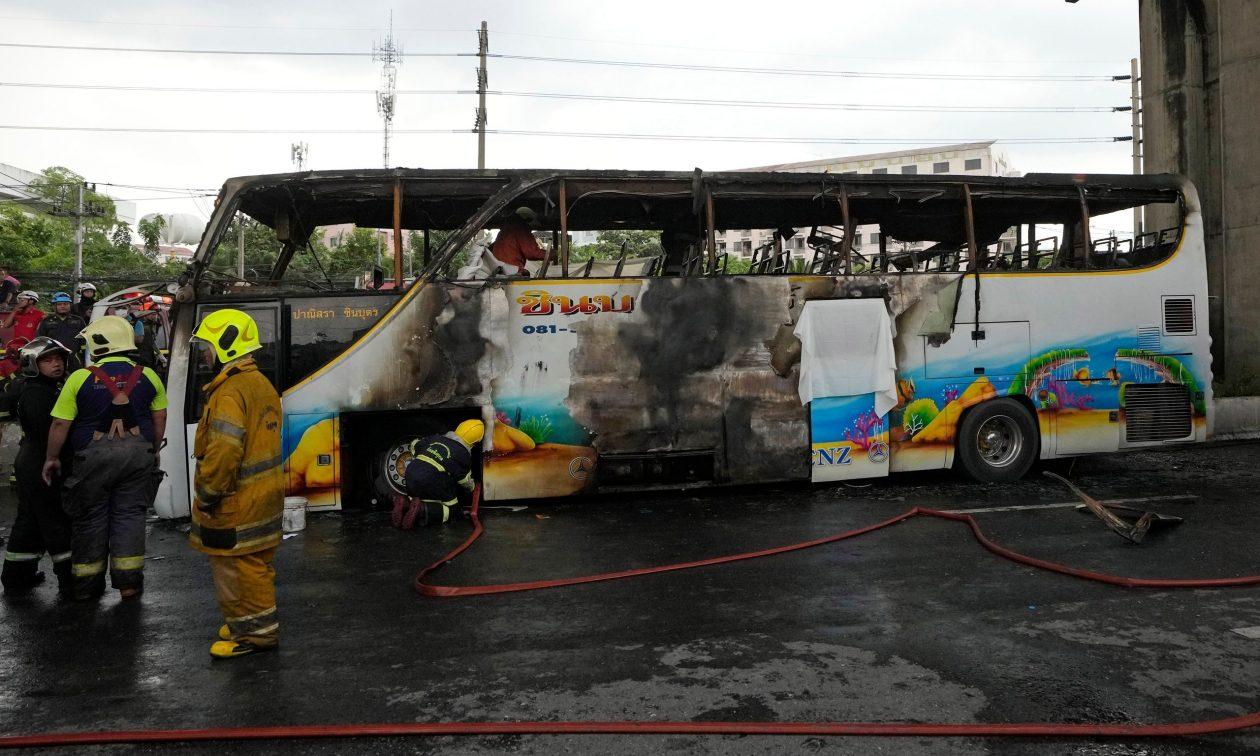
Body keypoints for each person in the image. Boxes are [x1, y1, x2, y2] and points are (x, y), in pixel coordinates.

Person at [43, 315, 167, 601]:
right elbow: (159, 417)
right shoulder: (148, 374)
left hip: (92, 461)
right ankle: (129, 585)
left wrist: (51, 457)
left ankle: (88, 587)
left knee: (90, 518)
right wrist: (155, 449)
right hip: (138, 458)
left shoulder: (79, 377)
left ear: (98, 345)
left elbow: (60, 424)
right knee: (130, 517)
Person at [188, 308, 284, 659]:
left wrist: (208, 493)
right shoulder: (258, 383)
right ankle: (247, 621)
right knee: (256, 564)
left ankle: (255, 636)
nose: (205, 355)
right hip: (262, 497)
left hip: (235, 502)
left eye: (208, 347)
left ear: (226, 345)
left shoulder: (229, 392)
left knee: (236, 569)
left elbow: (224, 451)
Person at [1, 338, 74, 597]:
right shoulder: (38, 394)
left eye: (58, 359)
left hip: (33, 461)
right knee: (55, 519)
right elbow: (50, 431)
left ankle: (16, 576)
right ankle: (70, 579)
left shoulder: (44, 388)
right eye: (47, 360)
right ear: (33, 364)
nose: (56, 364)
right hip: (41, 462)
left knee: (29, 520)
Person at [398, 419, 483, 527]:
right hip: (432, 479)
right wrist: (472, 487)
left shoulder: (436, 438)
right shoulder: (464, 456)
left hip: (411, 472)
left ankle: (406, 504)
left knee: (420, 495)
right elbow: (464, 480)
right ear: (474, 443)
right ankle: (421, 511)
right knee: (453, 511)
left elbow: (415, 444)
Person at [488, 207, 546, 274]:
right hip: (511, 270)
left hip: (499, 270)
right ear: (528, 219)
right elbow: (532, 253)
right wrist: (551, 254)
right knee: (526, 274)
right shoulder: (521, 229)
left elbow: (491, 249)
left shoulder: (505, 230)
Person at [36, 292, 86, 361]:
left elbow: (84, 341)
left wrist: (84, 356)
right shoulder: (46, 321)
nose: (63, 306)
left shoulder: (79, 320)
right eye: (59, 304)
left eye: (65, 304)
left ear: (70, 305)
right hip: (53, 358)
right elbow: (40, 340)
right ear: (54, 306)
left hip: (74, 358)